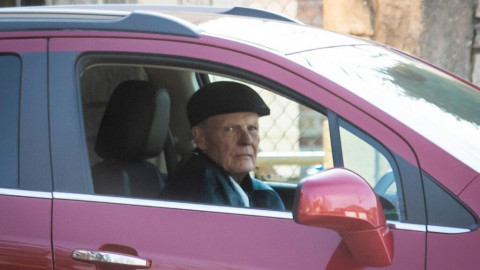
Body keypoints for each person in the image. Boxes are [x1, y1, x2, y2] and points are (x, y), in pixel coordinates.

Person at [165, 81, 285, 211]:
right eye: (230, 129)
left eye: (252, 128)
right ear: (200, 138)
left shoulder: (248, 189)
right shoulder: (200, 197)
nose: (246, 140)